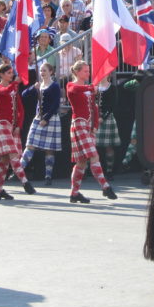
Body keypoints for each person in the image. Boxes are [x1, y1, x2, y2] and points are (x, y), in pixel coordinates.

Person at [66, 60, 117, 203]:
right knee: (93, 155)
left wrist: (94, 126)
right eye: (85, 71)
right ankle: (105, 186)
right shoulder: (71, 85)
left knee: (82, 162)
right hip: (79, 124)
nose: (88, 74)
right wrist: (91, 87)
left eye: (88, 71)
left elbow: (94, 108)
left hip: (88, 126)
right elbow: (74, 90)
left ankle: (74, 193)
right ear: (76, 72)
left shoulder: (88, 89)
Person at [0, 64, 36, 200]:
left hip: (12, 125)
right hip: (2, 124)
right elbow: (4, 92)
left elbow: (20, 108)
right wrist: (15, 83)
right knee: (13, 154)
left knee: (4, 160)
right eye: (9, 73)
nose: (11, 75)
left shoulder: (14, 89)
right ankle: (25, 182)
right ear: (2, 75)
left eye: (12, 73)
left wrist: (19, 124)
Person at [19, 62, 62, 186]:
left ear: (51, 72)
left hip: (50, 118)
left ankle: (48, 175)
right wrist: (33, 87)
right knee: (30, 145)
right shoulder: (39, 85)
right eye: (41, 71)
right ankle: (20, 171)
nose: (42, 73)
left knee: (49, 149)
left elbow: (55, 105)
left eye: (45, 71)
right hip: (38, 118)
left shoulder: (54, 86)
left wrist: (47, 118)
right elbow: (23, 95)